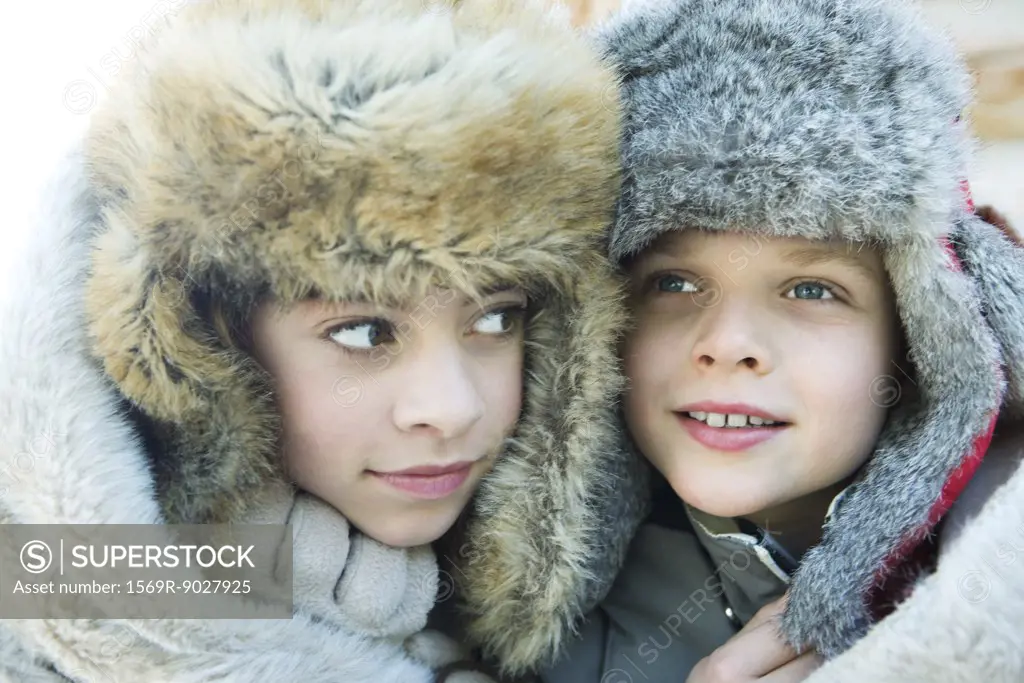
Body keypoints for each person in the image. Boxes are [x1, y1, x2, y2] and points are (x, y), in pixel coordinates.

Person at [0, 0, 651, 680]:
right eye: (366, 331)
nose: (451, 407)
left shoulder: (624, 593)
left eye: (494, 320)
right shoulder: (33, 619)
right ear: (204, 344)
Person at [538, 0, 1024, 680]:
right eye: (675, 282)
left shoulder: (997, 577)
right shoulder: (512, 620)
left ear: (920, 341)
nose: (728, 342)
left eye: (810, 290)